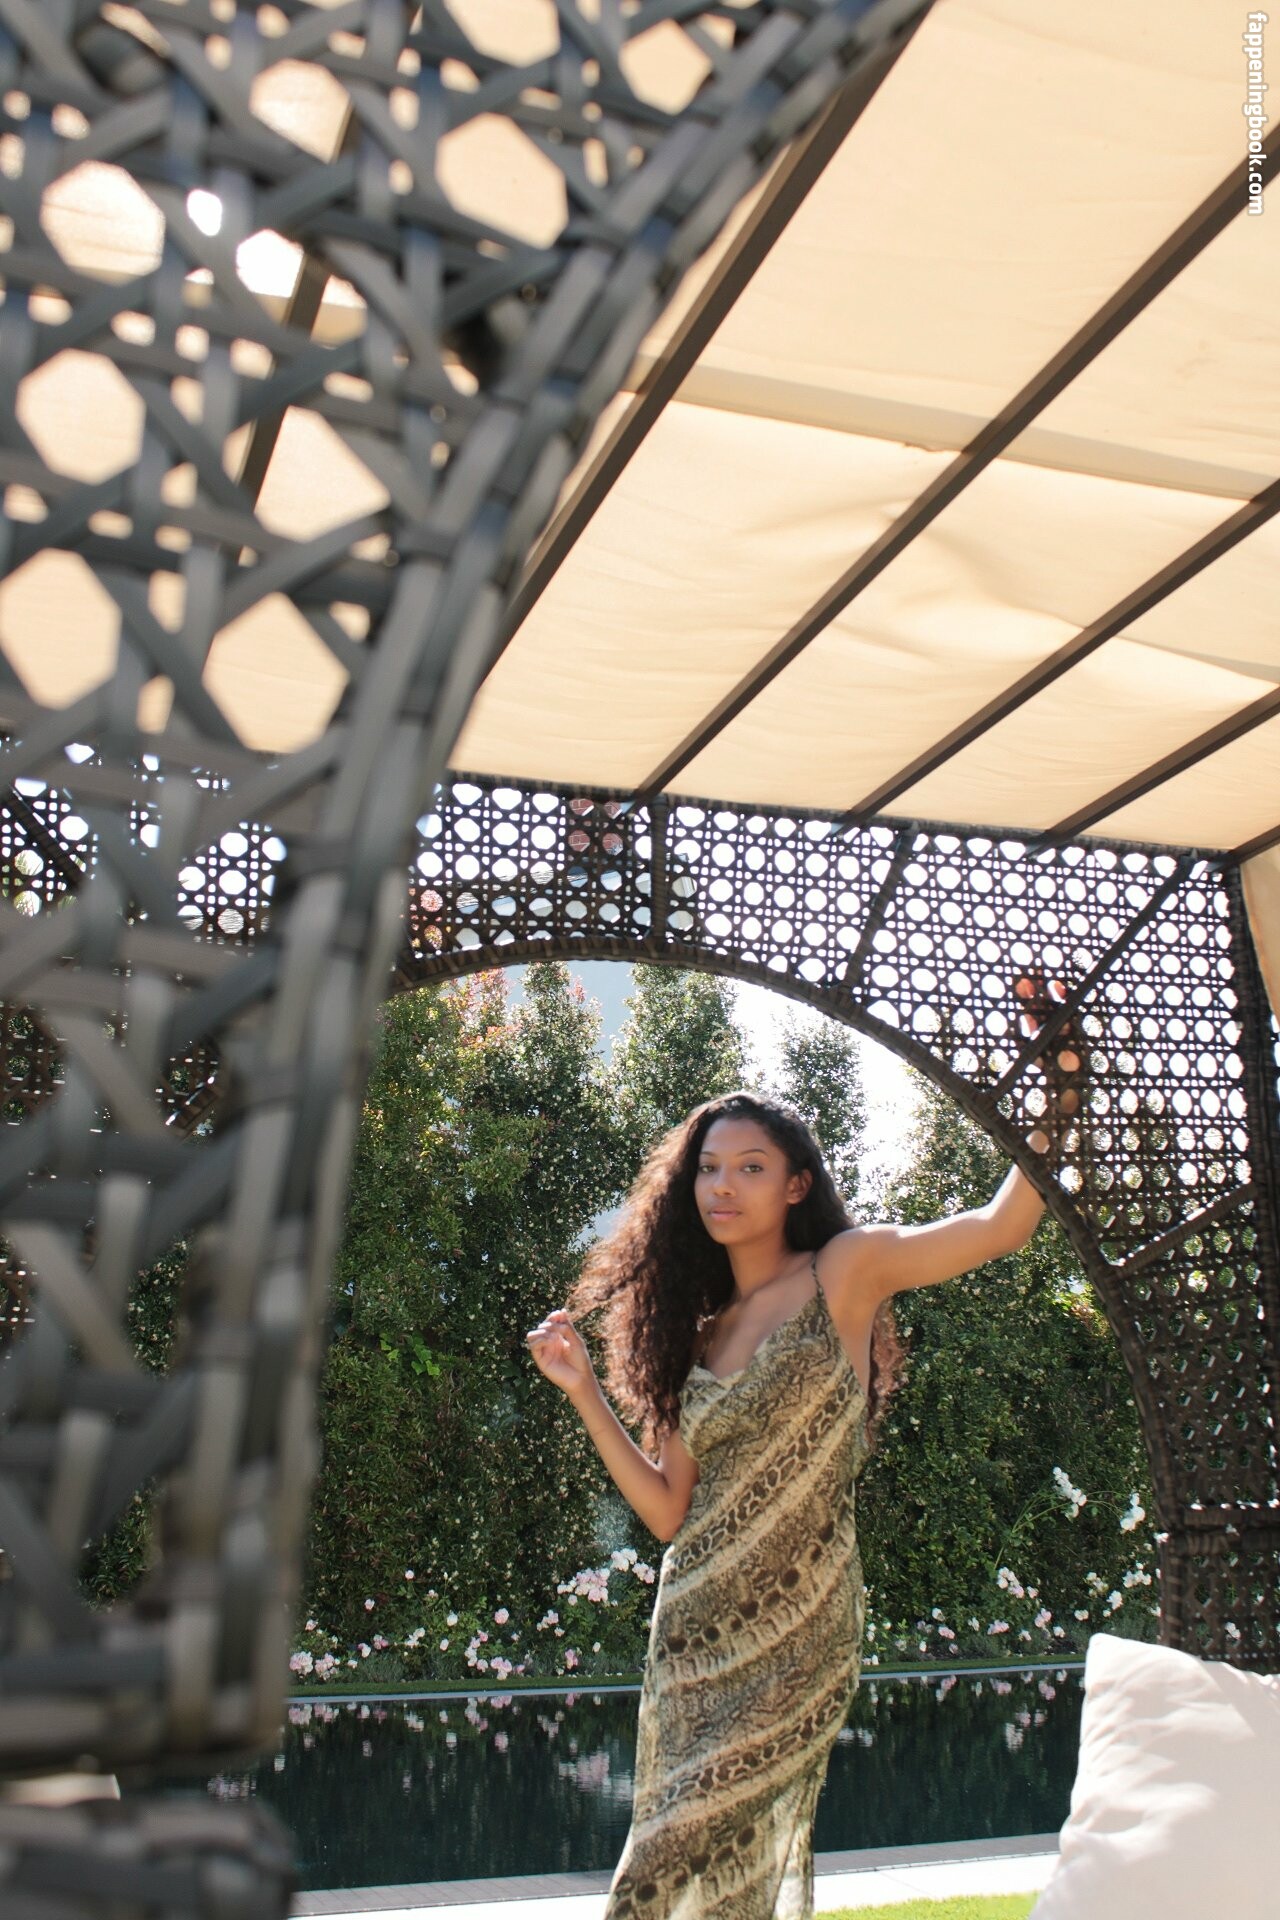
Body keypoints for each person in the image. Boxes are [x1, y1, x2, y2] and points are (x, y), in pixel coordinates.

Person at [525, 978, 1080, 1920]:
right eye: (708, 1168)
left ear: (795, 1186)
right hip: (692, 1632)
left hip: (801, 1624)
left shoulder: (844, 1272)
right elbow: (667, 1510)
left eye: (749, 1168)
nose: (722, 1185)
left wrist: (1059, 1092)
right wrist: (585, 1391)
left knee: (666, 1864)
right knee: (711, 1872)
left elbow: (1002, 1228)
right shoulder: (696, 1336)